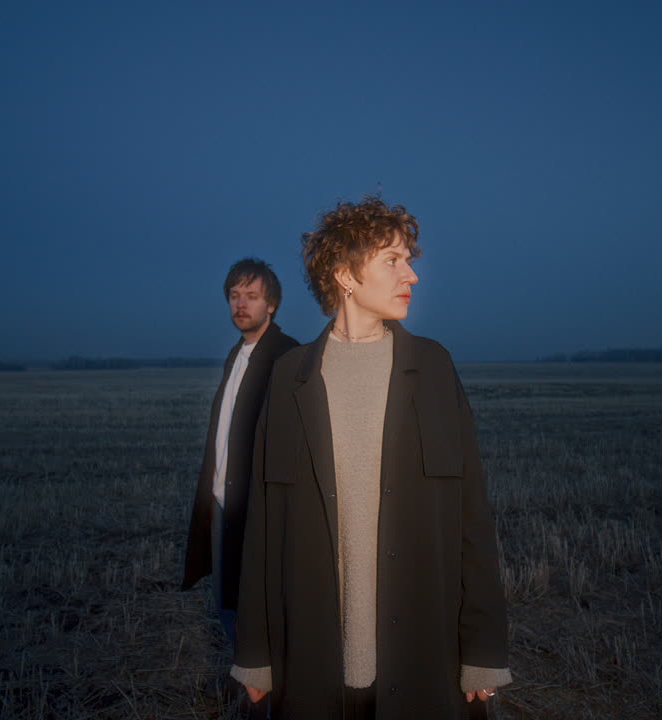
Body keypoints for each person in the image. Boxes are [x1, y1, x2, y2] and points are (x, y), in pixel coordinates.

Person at [231, 197, 512, 718]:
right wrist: (255, 655)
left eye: (409, 260)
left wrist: (484, 653)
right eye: (392, 260)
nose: (412, 275)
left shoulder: (433, 367)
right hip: (313, 658)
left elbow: (471, 517)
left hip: (423, 656)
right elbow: (264, 527)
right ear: (345, 275)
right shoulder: (292, 376)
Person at [182, 258, 299, 692]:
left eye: (251, 295)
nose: (240, 304)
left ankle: (269, 700)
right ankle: (252, 696)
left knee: (260, 614)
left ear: (272, 304)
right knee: (228, 606)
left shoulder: (288, 356)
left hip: (258, 510)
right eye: (234, 295)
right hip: (222, 505)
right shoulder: (237, 354)